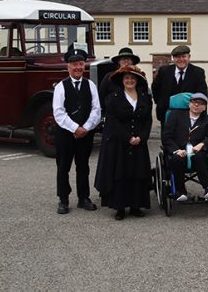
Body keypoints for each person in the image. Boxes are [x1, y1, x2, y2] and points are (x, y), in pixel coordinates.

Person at [94, 65, 152, 219]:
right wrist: (128, 138)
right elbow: (112, 122)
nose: (130, 81)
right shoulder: (113, 98)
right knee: (121, 173)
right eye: (127, 78)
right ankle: (120, 207)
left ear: (137, 80)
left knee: (137, 173)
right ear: (122, 81)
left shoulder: (145, 97)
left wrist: (141, 137)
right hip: (120, 143)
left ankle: (136, 206)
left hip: (139, 142)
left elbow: (148, 121)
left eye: (132, 78)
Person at [52, 47, 101, 214]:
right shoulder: (61, 87)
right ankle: (63, 200)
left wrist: (85, 128)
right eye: (74, 64)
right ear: (68, 67)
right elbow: (58, 112)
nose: (78, 67)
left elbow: (96, 109)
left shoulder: (91, 85)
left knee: (83, 166)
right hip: (66, 134)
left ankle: (84, 198)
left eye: (81, 64)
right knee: (63, 167)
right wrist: (75, 128)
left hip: (85, 134)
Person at [161, 92, 208, 202]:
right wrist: (176, 150)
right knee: (176, 160)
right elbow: (166, 137)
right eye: (194, 102)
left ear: (204, 107)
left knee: (200, 157)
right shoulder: (175, 115)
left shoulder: (206, 120)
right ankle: (180, 191)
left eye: (201, 103)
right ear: (189, 104)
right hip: (179, 151)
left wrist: (202, 144)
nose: (197, 105)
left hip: (196, 153)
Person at [152, 45, 208, 123]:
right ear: (173, 58)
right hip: (167, 115)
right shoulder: (164, 71)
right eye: (177, 57)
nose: (181, 59)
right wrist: (161, 103)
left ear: (189, 57)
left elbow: (202, 94)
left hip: (189, 116)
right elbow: (155, 88)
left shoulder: (198, 72)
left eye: (183, 56)